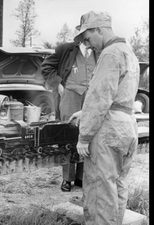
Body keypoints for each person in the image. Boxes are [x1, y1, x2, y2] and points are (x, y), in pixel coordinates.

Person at [68, 11, 140, 224]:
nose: (88, 46)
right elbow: (118, 95)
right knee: (117, 186)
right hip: (126, 126)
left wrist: (84, 136)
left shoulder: (109, 54)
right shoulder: (128, 52)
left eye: (88, 39)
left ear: (99, 29)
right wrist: (85, 111)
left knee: (100, 191)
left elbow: (100, 97)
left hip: (108, 132)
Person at [41, 40, 97, 192]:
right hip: (69, 94)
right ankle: (67, 178)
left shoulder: (99, 50)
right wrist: (58, 84)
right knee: (68, 135)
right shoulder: (66, 49)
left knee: (87, 133)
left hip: (91, 96)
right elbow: (46, 67)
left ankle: (80, 177)